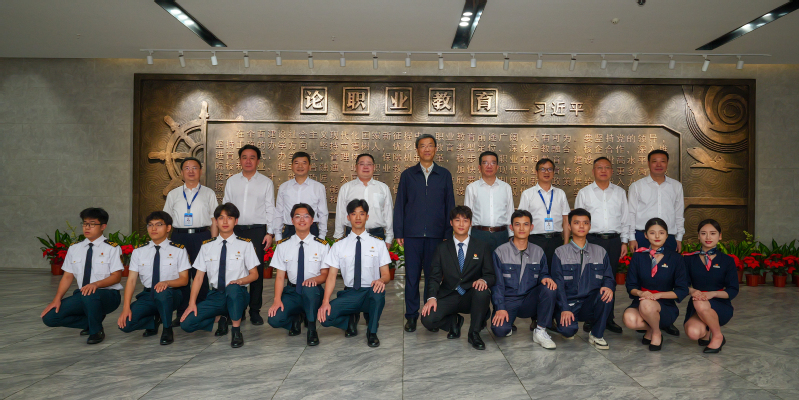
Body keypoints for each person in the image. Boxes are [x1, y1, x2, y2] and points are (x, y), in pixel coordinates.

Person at [394, 134, 456, 333]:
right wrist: (399, 231)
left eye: (430, 145)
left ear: (435, 149)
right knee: (412, 277)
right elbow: (400, 204)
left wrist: (448, 232)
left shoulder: (444, 174)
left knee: (433, 278)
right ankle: (411, 316)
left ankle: (430, 315)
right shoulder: (408, 175)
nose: (427, 149)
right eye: (423, 146)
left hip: (437, 236)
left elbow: (450, 205)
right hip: (412, 235)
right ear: (417, 150)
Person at [180, 203, 260, 348]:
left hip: (238, 293)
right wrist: (192, 303)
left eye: (229, 218)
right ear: (216, 221)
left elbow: (254, 275)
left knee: (233, 289)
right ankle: (221, 316)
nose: (225, 221)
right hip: (215, 295)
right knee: (187, 323)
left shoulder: (245, 245)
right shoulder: (206, 246)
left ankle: (236, 331)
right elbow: (198, 277)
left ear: (236, 221)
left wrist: (239, 281)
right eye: (221, 218)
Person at [41, 208, 123, 344]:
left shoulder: (112, 248)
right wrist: (56, 299)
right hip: (84, 294)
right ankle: (91, 322)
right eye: (85, 223)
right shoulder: (74, 248)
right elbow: (67, 276)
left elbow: (116, 277)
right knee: (49, 318)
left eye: (92, 224)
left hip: (108, 296)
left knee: (90, 294)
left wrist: (95, 284)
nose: (87, 227)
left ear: (103, 226)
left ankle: (96, 331)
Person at [420, 206, 496, 350]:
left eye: (465, 221)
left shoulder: (481, 247)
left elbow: (490, 275)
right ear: (451, 223)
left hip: (471, 296)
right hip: (449, 294)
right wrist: (431, 297)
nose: (461, 224)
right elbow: (434, 277)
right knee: (427, 319)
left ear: (471, 223)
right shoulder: (442, 248)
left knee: (482, 292)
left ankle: (474, 333)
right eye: (457, 220)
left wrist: (483, 280)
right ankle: (453, 322)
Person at [627, 149, 685, 336]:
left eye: (662, 161)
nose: (658, 164)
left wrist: (678, 237)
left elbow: (679, 213)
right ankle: (646, 312)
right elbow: (631, 213)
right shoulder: (637, 186)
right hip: (642, 236)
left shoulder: (676, 186)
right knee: (645, 276)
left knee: (667, 276)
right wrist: (631, 237)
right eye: (654, 161)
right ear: (648, 163)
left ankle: (665, 318)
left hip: (669, 236)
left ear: (667, 163)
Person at [318, 200, 391, 348]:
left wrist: (381, 280)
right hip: (350, 293)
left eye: (361, 214)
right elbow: (331, 277)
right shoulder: (339, 245)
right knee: (324, 318)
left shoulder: (378, 244)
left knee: (378, 292)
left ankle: (372, 332)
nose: (358, 217)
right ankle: (350, 321)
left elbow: (386, 274)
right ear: (348, 217)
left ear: (367, 217)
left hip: (370, 291)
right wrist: (325, 302)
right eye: (353, 214)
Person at [117, 211, 190, 345]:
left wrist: (166, 283)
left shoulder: (178, 250)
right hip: (148, 295)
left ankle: (167, 329)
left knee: (162, 293)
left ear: (168, 228)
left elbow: (184, 279)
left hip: (171, 294)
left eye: (158, 225)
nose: (153, 228)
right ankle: (153, 320)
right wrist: (126, 307)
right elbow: (131, 281)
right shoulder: (139, 251)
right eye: (150, 225)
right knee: (125, 324)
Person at [223, 144, 276, 325]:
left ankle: (254, 310)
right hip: (236, 231)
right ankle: (237, 309)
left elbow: (270, 209)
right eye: (244, 157)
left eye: (252, 157)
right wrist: (226, 230)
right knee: (236, 268)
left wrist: (270, 233)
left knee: (256, 271)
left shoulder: (266, 182)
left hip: (257, 231)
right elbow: (226, 207)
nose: (248, 161)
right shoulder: (232, 182)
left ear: (258, 161)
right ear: (240, 160)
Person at [574, 157, 628, 334]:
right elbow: (577, 220)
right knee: (591, 280)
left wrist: (624, 241)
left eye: (607, 167)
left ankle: (608, 318)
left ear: (612, 171)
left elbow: (625, 219)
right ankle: (591, 318)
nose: (603, 170)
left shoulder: (620, 192)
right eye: (599, 167)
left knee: (610, 280)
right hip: (592, 240)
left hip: (614, 241)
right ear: (593, 171)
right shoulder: (584, 193)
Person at [490, 209, 558, 350]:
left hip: (529, 300)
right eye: (517, 224)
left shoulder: (538, 251)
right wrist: (500, 307)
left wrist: (546, 278)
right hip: (509, 300)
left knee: (549, 288)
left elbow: (543, 273)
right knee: (500, 331)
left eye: (525, 224)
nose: (521, 228)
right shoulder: (500, 252)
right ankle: (508, 324)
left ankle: (540, 331)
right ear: (511, 227)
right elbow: (497, 284)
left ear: (531, 227)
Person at [163, 157, 219, 326]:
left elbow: (214, 219)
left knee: (201, 274)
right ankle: (181, 313)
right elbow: (166, 220)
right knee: (181, 275)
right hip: (179, 237)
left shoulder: (208, 193)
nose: (191, 171)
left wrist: (213, 242)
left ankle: (201, 311)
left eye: (194, 168)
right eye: (187, 168)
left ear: (200, 171)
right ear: (181, 173)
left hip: (202, 236)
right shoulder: (173, 194)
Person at [550, 208, 616, 350]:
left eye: (585, 223)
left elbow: (609, 277)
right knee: (567, 331)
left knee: (607, 294)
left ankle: (596, 334)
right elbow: (558, 283)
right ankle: (565, 321)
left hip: (590, 303)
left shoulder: (600, 251)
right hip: (569, 303)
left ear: (590, 226)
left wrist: (608, 286)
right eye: (577, 223)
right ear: (569, 226)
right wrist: (564, 308)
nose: (581, 226)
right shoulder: (560, 252)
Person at [267, 203, 330, 346]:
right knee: (274, 319)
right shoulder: (283, 245)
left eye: (306, 216)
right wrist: (277, 300)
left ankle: (312, 329)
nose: (302, 220)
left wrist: (314, 280)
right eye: (298, 216)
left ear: (312, 220)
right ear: (292, 220)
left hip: (313, 292)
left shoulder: (322, 245)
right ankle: (295, 319)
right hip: (292, 292)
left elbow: (325, 274)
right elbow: (280, 277)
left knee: (310, 289)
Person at [622, 218, 688, 351]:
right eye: (652, 233)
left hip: (665, 305)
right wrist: (641, 293)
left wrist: (658, 295)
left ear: (667, 235)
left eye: (661, 233)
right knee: (629, 319)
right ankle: (653, 329)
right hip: (642, 300)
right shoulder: (638, 257)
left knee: (647, 304)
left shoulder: (676, 258)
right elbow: (630, 286)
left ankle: (656, 333)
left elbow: (682, 290)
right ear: (646, 235)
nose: (657, 236)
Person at [683, 219, 738, 353]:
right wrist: (693, 291)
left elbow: (733, 290)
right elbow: (682, 285)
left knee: (701, 302)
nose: (708, 237)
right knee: (693, 333)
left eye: (713, 233)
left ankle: (718, 336)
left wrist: (712, 294)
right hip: (697, 302)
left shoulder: (728, 260)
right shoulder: (688, 259)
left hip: (720, 304)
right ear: (698, 236)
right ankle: (706, 332)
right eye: (703, 233)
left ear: (720, 236)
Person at [334, 153, 394, 248]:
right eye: (362, 164)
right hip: (352, 235)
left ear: (374, 167)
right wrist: (338, 238)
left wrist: (389, 238)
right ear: (356, 167)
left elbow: (388, 215)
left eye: (369, 164)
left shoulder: (383, 188)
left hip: (377, 235)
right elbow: (340, 215)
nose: (365, 167)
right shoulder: (346, 188)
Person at [518, 158, 571, 265]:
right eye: (543, 169)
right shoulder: (528, 194)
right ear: (536, 172)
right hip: (535, 240)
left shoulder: (560, 194)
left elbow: (566, 220)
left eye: (549, 169)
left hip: (556, 240)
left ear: (554, 172)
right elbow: (522, 221)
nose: (546, 172)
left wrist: (565, 244)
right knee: (535, 271)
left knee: (555, 270)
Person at [465, 151, 514, 253]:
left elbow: (510, 213)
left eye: (493, 163)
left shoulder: (506, 187)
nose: (489, 166)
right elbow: (467, 216)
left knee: (501, 263)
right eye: (485, 163)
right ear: (479, 167)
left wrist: (511, 236)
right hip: (479, 234)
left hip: (501, 235)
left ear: (497, 167)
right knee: (479, 263)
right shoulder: (472, 188)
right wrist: (467, 237)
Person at [274, 151, 328, 241]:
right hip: (290, 230)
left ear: (309, 166)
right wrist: (278, 235)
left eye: (304, 163)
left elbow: (323, 213)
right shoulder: (284, 187)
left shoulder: (318, 187)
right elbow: (279, 212)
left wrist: (322, 236)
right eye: (296, 163)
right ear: (291, 166)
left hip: (311, 230)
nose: (300, 166)